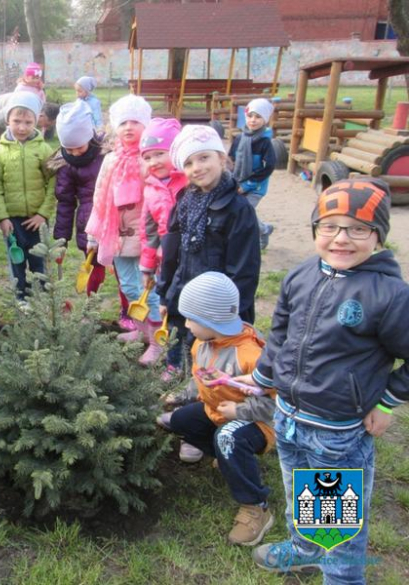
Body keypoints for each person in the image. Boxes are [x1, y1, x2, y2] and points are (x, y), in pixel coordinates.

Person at [245, 179, 409, 582]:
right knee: (302, 493)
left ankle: (341, 576)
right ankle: (304, 549)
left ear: (379, 236)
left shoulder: (388, 295)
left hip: (336, 432)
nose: (342, 238)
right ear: (316, 230)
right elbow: (280, 331)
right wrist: (264, 377)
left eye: (358, 228)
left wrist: (387, 401)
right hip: (288, 417)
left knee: (336, 523)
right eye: (330, 226)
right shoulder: (301, 274)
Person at [157, 272, 275, 547]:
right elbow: (201, 378)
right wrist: (182, 395)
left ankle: (256, 506)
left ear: (212, 320)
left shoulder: (251, 356)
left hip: (256, 424)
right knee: (180, 421)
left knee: (229, 437)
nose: (186, 325)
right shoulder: (203, 343)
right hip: (217, 411)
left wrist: (240, 410)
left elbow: (274, 403)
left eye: (190, 319)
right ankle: (229, 459)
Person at [158, 125, 260, 373]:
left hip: (217, 303)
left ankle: (202, 389)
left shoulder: (238, 208)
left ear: (221, 158)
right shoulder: (184, 200)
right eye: (189, 163)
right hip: (183, 289)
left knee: (209, 354)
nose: (198, 167)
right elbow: (172, 252)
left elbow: (245, 266)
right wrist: (165, 294)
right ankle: (175, 369)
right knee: (178, 333)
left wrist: (232, 313)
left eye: (204, 157)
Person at [86, 94, 160, 364]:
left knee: (148, 291)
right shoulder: (111, 160)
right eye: (123, 122)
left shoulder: (149, 159)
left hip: (143, 237)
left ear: (146, 125)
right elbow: (99, 196)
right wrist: (94, 234)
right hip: (115, 235)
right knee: (128, 287)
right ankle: (141, 332)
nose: (129, 127)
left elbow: (156, 200)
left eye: (135, 122)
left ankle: (157, 342)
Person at [0, 92, 56, 298]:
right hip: (12, 221)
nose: (22, 127)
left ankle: (41, 297)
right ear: (7, 120)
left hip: (36, 220)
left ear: (36, 121)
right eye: (16, 121)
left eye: (28, 122)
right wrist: (2, 218)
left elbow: (53, 183)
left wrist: (43, 214)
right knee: (17, 260)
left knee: (38, 261)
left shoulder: (44, 149)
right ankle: (21, 298)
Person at [134, 117, 186, 368]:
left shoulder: (189, 181)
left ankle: (191, 362)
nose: (154, 162)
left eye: (160, 154)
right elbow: (149, 230)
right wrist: (147, 265)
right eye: (148, 157)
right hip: (166, 263)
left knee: (192, 313)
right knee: (170, 309)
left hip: (191, 259)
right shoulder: (151, 188)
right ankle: (173, 363)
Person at [48, 100, 107, 295]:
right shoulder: (66, 164)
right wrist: (61, 240)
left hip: (115, 221)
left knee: (124, 267)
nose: (73, 153)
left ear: (90, 137)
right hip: (88, 223)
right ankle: (91, 303)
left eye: (78, 147)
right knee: (95, 264)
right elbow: (65, 203)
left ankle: (126, 310)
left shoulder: (107, 156)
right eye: (68, 148)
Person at [228, 98, 276, 250]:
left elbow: (268, 167)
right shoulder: (239, 138)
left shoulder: (265, 142)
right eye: (250, 116)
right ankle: (264, 228)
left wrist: (248, 185)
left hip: (256, 186)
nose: (253, 120)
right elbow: (230, 159)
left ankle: (254, 235)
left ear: (265, 120)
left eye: (258, 117)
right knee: (239, 210)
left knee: (244, 211)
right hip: (237, 182)